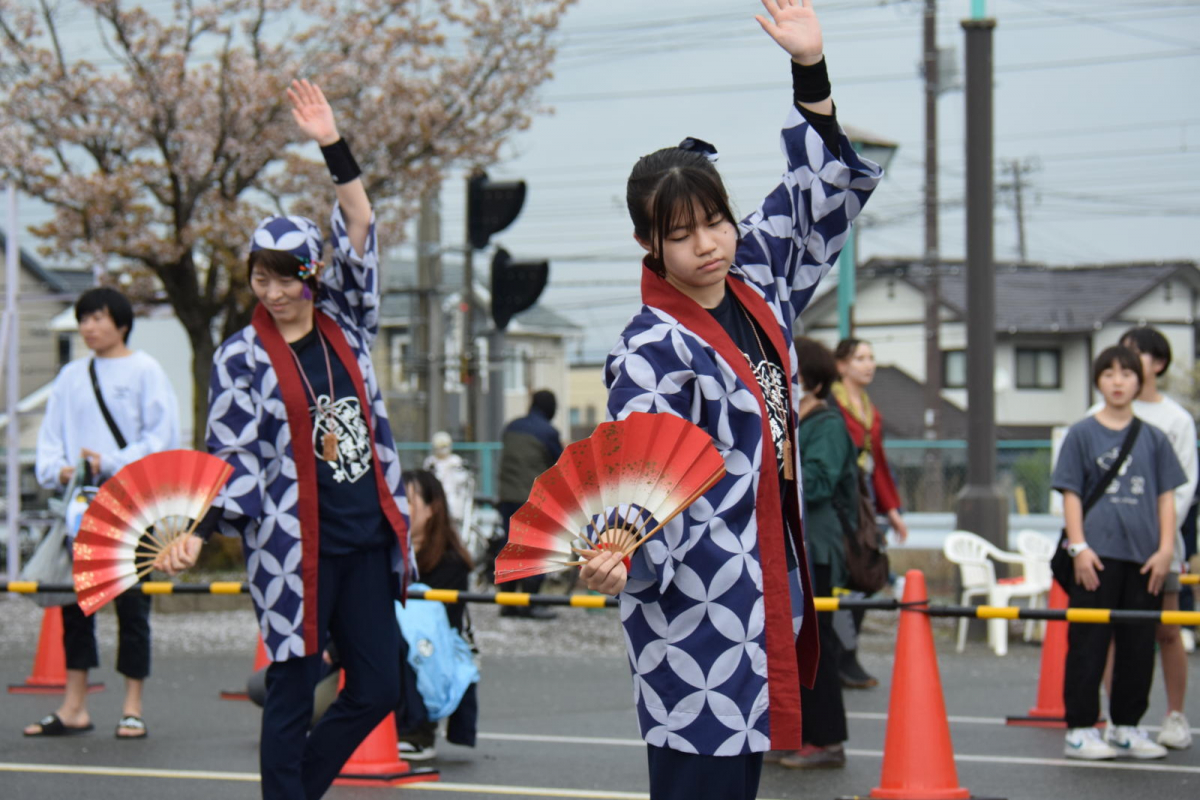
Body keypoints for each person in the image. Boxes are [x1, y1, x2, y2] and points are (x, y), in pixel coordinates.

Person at [580, 3, 882, 798]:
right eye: (683, 236)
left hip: (764, 574)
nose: (709, 244)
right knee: (699, 775)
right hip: (697, 591)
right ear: (649, 245)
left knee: (739, 778)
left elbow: (818, 192)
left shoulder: (757, 278)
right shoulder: (650, 345)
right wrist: (619, 542)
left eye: (715, 221)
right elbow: (639, 456)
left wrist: (809, 67)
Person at [154, 79, 411, 799]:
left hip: (364, 537)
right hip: (293, 546)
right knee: (293, 685)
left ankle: (295, 788)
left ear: (313, 274)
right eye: (260, 278)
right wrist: (200, 530)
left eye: (286, 278)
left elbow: (360, 220)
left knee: (379, 684)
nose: (272, 292)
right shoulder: (240, 357)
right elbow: (231, 455)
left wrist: (332, 142)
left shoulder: (347, 321)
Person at [25, 286, 180, 740]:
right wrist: (58, 469)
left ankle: (133, 706)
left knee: (133, 606)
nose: (89, 327)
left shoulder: (145, 370)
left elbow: (162, 438)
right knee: (75, 608)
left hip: (131, 505)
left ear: (122, 323)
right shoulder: (71, 375)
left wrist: (110, 461)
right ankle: (74, 705)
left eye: (98, 318)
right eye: (84, 319)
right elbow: (50, 439)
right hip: (80, 506)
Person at [1053, 345, 1184, 760]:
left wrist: (1165, 550)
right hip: (1095, 557)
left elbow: (1166, 497)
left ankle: (1126, 726)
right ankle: (1079, 729)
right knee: (1088, 642)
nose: (1117, 382)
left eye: (1126, 374)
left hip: (1145, 559)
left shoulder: (1155, 438)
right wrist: (1079, 547)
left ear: (1140, 380)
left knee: (1138, 645)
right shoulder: (1081, 433)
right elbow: (1071, 493)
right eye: (1108, 374)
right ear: (1097, 381)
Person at [1088, 326, 1195, 750]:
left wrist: (1160, 542)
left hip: (1159, 548)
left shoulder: (1176, 420)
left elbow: (1181, 491)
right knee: (1112, 631)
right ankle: (1119, 719)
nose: (1123, 371)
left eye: (1134, 358)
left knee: (1166, 630)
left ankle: (1175, 715)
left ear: (1158, 363)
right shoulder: (1094, 417)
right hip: (1107, 548)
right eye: (1114, 364)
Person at [775, 337, 856, 769]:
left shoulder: (826, 424)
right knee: (789, 643)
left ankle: (827, 740)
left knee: (816, 643)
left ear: (814, 381)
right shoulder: (792, 419)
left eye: (795, 373)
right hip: (792, 545)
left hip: (817, 548)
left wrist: (780, 473)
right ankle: (796, 735)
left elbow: (819, 483)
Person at [830, 336, 906, 689]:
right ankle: (840, 657)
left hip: (866, 503)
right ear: (841, 365)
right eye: (860, 358)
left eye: (871, 357)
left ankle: (847, 654)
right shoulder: (833, 405)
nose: (868, 364)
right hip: (840, 504)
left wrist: (892, 509)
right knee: (845, 581)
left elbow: (879, 464)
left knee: (866, 576)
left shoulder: (869, 408)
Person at [394, 469, 478, 761]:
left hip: (428, 656)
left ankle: (417, 730)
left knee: (404, 631)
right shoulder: (384, 551)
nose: (398, 506)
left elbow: (429, 626)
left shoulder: (450, 563)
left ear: (432, 509)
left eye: (407, 500)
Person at [496, 389, 563, 618]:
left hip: (507, 497)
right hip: (532, 499)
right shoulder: (548, 432)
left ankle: (507, 602)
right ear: (550, 408)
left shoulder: (511, 427)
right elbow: (560, 463)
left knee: (510, 546)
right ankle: (531, 604)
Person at [423, 431, 472, 530]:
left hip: (453, 498)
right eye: (440, 447)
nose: (442, 450)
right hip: (435, 497)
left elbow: (462, 481)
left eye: (444, 446)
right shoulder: (430, 461)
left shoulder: (455, 461)